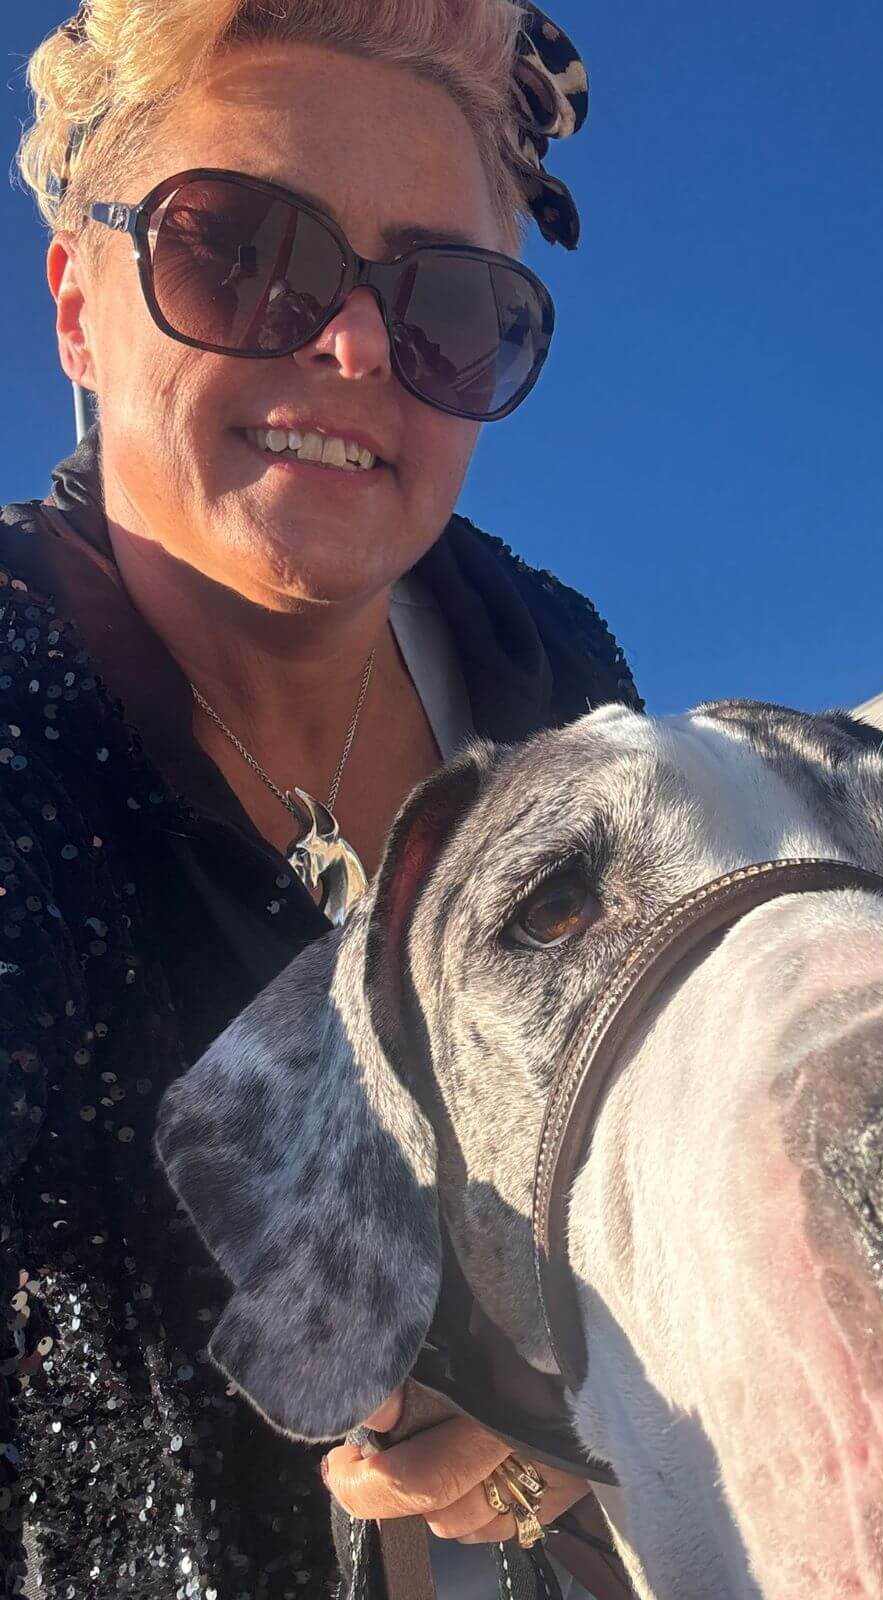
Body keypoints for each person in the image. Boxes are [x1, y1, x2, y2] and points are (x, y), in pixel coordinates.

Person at [1, 2, 639, 1595]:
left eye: (443, 304)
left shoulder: (552, 673)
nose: (352, 347)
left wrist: (560, 1417)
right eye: (241, 255)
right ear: (78, 305)